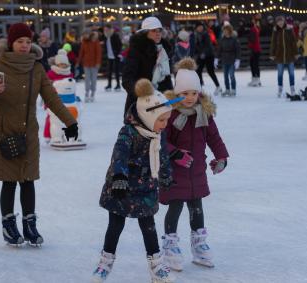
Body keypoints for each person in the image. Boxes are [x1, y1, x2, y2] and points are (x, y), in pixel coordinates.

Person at [0, 23, 78, 247]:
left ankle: (30, 224)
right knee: (10, 182)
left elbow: (52, 98)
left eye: (27, 41)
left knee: (28, 180)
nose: (24, 45)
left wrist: (70, 122)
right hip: (4, 133)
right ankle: (8, 224)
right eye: (19, 41)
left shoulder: (36, 68)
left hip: (28, 133)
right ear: (11, 43)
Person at [92, 79, 176, 283]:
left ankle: (156, 266)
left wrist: (165, 175)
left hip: (146, 188)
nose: (165, 125)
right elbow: (119, 155)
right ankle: (105, 263)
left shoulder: (157, 135)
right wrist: (118, 177)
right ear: (148, 116)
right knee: (115, 226)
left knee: (149, 227)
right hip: (123, 187)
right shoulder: (129, 132)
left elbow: (162, 156)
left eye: (167, 120)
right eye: (161, 120)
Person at [159, 58, 229, 270]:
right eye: (184, 93)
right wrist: (175, 154)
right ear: (177, 93)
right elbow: (160, 140)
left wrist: (222, 157)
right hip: (174, 171)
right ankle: (170, 246)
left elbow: (214, 137)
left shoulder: (203, 113)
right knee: (176, 206)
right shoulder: (169, 114)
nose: (189, 98)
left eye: (193, 93)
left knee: (196, 207)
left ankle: (199, 245)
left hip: (196, 170)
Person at [122, 16, 173, 115]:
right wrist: (142, 93)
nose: (158, 33)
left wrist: (170, 94)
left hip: (160, 102)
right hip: (140, 104)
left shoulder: (163, 51)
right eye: (153, 31)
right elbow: (127, 79)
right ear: (145, 33)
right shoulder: (137, 51)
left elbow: (165, 77)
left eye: (159, 30)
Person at [43, 49, 74, 143]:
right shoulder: (51, 73)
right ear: (57, 64)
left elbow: (71, 86)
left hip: (66, 100)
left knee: (67, 117)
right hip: (53, 99)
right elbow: (46, 86)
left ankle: (65, 134)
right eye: (61, 64)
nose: (63, 66)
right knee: (51, 118)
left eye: (65, 64)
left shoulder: (69, 73)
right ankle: (48, 135)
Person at [270, 16, 299, 98]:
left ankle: (292, 88)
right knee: (280, 74)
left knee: (291, 73)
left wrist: (296, 53)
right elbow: (273, 43)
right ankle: (280, 88)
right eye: (278, 22)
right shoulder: (275, 31)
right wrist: (272, 54)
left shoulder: (289, 29)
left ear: (284, 21)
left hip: (289, 55)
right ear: (277, 23)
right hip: (279, 55)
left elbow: (293, 42)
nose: (280, 23)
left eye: (281, 21)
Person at [193, 22, 222, 96]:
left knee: (210, 71)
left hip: (209, 55)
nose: (200, 28)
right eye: (198, 27)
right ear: (196, 28)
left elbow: (208, 45)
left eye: (201, 26)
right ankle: (200, 87)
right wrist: (197, 54)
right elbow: (196, 46)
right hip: (201, 56)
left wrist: (204, 53)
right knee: (198, 70)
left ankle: (218, 86)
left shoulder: (205, 34)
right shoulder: (196, 35)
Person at [215, 24, 241, 96]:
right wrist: (216, 58)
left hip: (232, 60)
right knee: (225, 76)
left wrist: (237, 59)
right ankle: (227, 89)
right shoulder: (222, 40)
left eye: (226, 30)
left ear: (229, 31)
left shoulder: (234, 39)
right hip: (224, 60)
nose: (225, 32)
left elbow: (238, 50)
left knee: (231, 75)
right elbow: (219, 50)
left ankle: (233, 89)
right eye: (224, 31)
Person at [78, 30, 102, 102]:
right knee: (87, 79)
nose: (85, 36)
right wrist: (78, 62)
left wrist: (98, 62)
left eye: (86, 34)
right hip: (86, 63)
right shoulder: (84, 42)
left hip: (94, 64)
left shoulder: (95, 41)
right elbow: (81, 53)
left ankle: (93, 93)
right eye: (84, 35)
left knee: (93, 79)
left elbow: (98, 53)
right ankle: (87, 93)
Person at [104, 24, 123, 92]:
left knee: (116, 71)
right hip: (109, 56)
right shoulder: (106, 36)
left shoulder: (115, 35)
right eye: (105, 29)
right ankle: (109, 85)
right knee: (109, 71)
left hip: (115, 56)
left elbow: (120, 45)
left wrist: (117, 53)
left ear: (109, 29)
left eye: (106, 29)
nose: (105, 30)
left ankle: (118, 85)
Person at [248, 18, 262, 87]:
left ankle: (257, 80)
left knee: (255, 65)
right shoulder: (255, 29)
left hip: (255, 49)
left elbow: (252, 39)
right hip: (255, 49)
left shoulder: (254, 29)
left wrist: (249, 43)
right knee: (253, 64)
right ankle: (255, 79)